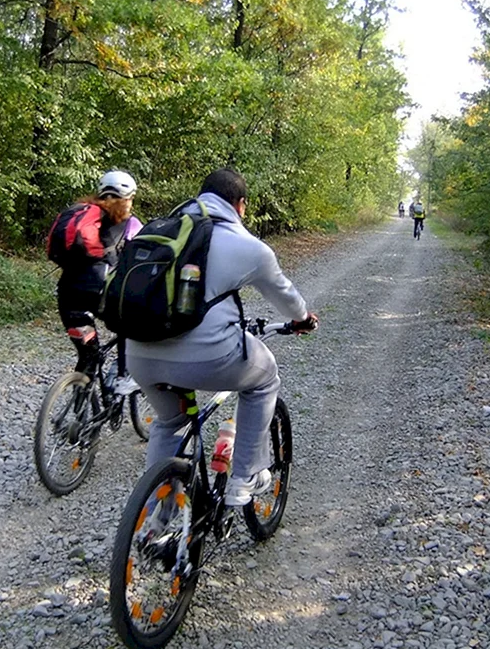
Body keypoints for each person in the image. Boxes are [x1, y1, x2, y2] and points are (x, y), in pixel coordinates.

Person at [126, 167, 318, 506]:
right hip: (208, 358)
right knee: (264, 377)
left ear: (201, 196)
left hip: (139, 353)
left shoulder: (160, 230)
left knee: (170, 423)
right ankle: (245, 477)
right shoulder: (248, 246)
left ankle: (160, 519)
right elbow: (286, 296)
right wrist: (303, 318)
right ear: (240, 205)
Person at [55, 170, 142, 386]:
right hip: (102, 296)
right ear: (128, 198)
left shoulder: (81, 213)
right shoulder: (132, 225)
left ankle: (80, 407)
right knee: (129, 328)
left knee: (88, 354)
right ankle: (123, 378)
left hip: (68, 298)